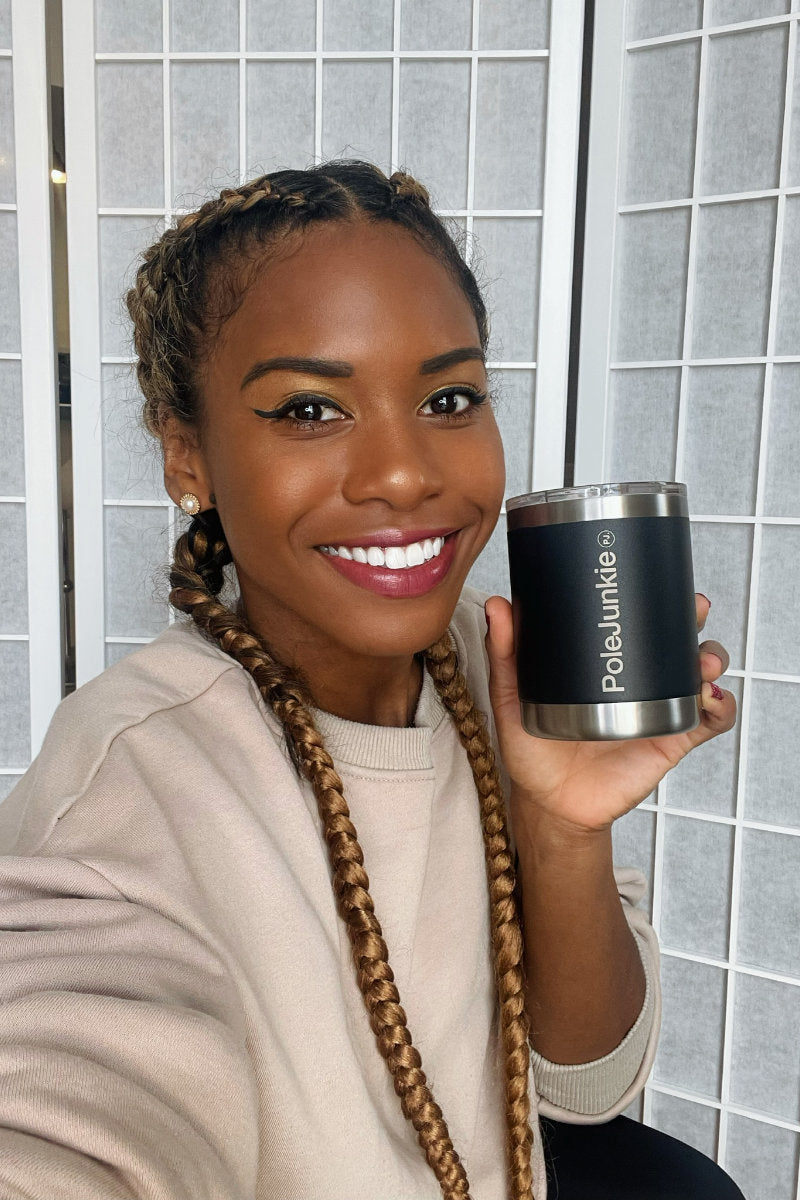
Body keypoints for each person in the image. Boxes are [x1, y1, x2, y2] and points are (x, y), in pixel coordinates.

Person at [0, 162, 742, 1200]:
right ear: (186, 456)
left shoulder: (496, 674)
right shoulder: (126, 784)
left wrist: (562, 830)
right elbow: (64, 1100)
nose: (403, 473)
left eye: (449, 398)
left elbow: (584, 1087)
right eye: (310, 410)